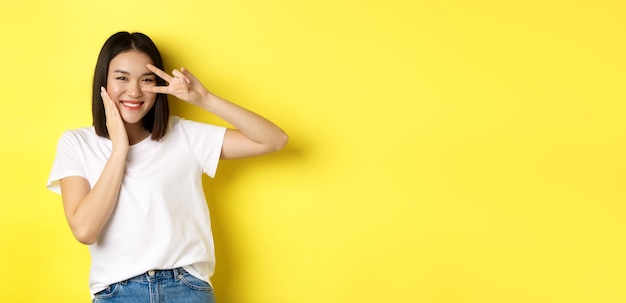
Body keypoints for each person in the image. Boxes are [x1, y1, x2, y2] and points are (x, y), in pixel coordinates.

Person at [46, 31, 288, 303]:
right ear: (103, 81)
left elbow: (274, 140)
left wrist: (205, 99)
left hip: (185, 289)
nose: (135, 91)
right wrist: (119, 150)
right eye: (122, 78)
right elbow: (85, 230)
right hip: (118, 293)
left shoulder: (183, 135)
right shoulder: (77, 143)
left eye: (146, 80)